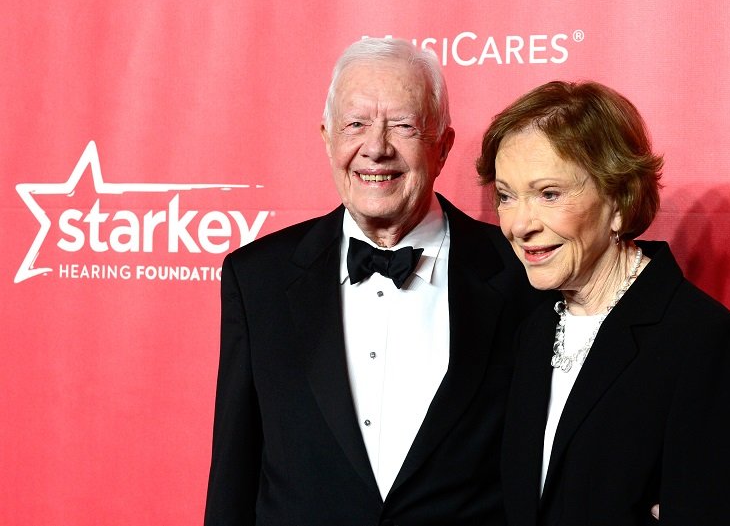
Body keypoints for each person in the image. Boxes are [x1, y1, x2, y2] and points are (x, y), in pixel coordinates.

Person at [204, 37, 543, 526]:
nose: (376, 148)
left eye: (403, 126)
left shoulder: (520, 274)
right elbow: (234, 473)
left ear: (443, 147)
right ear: (327, 137)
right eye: (355, 124)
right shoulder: (257, 277)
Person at [476, 81, 730, 526]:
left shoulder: (704, 342)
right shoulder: (532, 333)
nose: (518, 224)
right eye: (506, 196)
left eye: (548, 194)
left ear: (619, 199)